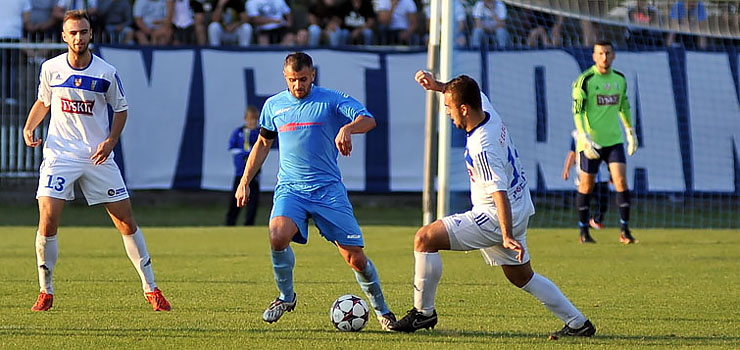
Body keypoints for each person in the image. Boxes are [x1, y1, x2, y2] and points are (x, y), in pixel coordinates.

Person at [390, 72, 596, 340]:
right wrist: (439, 87)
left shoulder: (482, 146)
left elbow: (498, 192)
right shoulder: (486, 109)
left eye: (450, 108)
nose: (448, 114)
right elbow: (468, 93)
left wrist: (506, 234)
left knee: (424, 238)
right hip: (520, 205)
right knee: (523, 277)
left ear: (464, 109)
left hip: (495, 217)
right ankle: (579, 323)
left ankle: (423, 313)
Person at [22, 10, 171, 312]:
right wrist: (29, 125)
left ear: (91, 35)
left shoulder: (105, 72)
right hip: (60, 155)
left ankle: (151, 288)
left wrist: (110, 141)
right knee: (47, 220)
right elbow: (44, 100)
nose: (79, 38)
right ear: (64, 36)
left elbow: (122, 109)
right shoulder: (51, 68)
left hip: (97, 156)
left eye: (83, 32)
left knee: (125, 222)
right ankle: (45, 291)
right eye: (73, 33)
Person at [234, 52, 396, 330]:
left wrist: (347, 128)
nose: (298, 86)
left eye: (303, 79)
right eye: (293, 80)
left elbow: (368, 119)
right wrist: (245, 180)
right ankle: (286, 297)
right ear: (285, 77)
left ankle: (383, 312)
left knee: (355, 259)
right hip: (291, 189)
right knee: (277, 236)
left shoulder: (330, 100)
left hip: (327, 191)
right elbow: (262, 144)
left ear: (313, 76)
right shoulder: (274, 105)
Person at [572, 41, 638, 244]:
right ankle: (584, 232)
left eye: (608, 53)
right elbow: (578, 111)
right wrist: (584, 136)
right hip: (590, 142)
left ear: (614, 55)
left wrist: (629, 131)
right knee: (586, 185)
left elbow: (624, 106)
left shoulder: (619, 79)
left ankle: (625, 231)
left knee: (621, 181)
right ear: (594, 56)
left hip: (613, 140)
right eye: (600, 53)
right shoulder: (585, 80)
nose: (604, 57)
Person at [562, 129, 610, 230]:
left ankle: (596, 220)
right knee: (584, 199)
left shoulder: (601, 130)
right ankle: (585, 222)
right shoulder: (576, 134)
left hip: (602, 174)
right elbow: (572, 153)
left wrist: (612, 172)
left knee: (604, 200)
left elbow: (608, 154)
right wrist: (566, 169)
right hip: (583, 174)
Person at [225, 106, 261, 226]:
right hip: (240, 173)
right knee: (236, 199)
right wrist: (244, 153)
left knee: (253, 201)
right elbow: (232, 148)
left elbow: (261, 148)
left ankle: (249, 224)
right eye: (251, 120)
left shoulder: (258, 133)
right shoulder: (239, 132)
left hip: (254, 173)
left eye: (255, 120)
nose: (253, 123)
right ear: (246, 119)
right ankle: (230, 223)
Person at [1, 0, 30, 107]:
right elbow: (26, 18)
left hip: (1, 34)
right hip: (14, 33)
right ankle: (10, 96)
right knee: (11, 66)